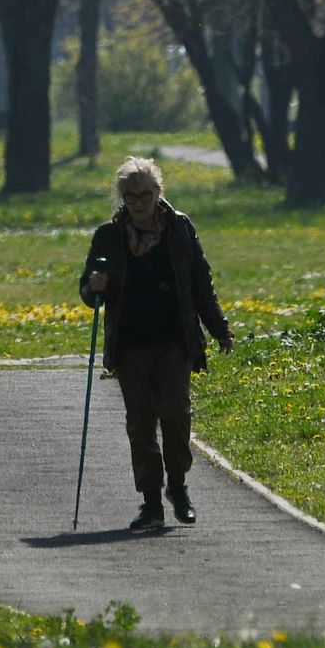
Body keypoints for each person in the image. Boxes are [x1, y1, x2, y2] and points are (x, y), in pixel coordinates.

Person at [78, 155, 234, 531]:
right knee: (141, 423)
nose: (138, 203)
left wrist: (218, 327)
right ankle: (151, 500)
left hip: (173, 339)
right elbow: (88, 289)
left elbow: (200, 283)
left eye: (144, 194)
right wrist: (93, 287)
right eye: (130, 196)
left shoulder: (180, 229)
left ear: (158, 192)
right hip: (130, 342)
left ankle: (177, 486)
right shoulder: (108, 235)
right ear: (122, 197)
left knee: (177, 414)